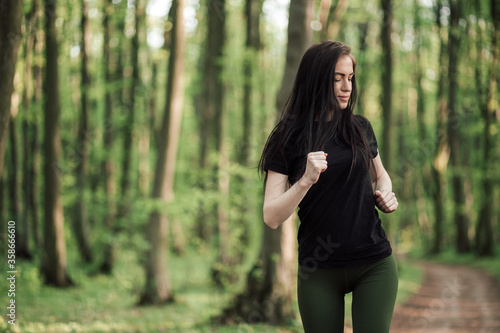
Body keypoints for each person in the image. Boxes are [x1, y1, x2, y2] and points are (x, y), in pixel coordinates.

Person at [259, 41, 399, 333]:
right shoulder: (287, 137)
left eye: (350, 78)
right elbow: (271, 216)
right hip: (318, 270)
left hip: (373, 262)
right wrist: (305, 181)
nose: (346, 86)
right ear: (315, 80)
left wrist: (385, 193)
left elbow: (380, 175)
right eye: (337, 78)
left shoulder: (360, 128)